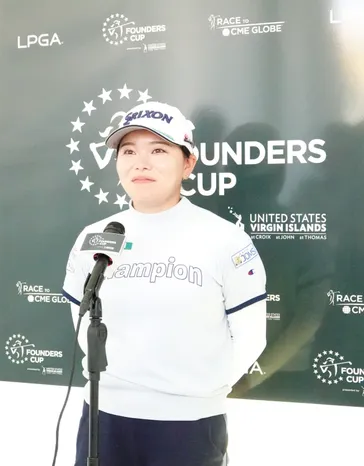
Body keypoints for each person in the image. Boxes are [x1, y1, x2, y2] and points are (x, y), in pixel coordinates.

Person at [62, 102, 268, 466]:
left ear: (188, 163)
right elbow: (80, 321)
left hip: (189, 426)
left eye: (158, 150)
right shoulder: (95, 236)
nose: (141, 163)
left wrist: (198, 393)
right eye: (128, 151)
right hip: (102, 417)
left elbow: (251, 338)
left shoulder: (225, 240)